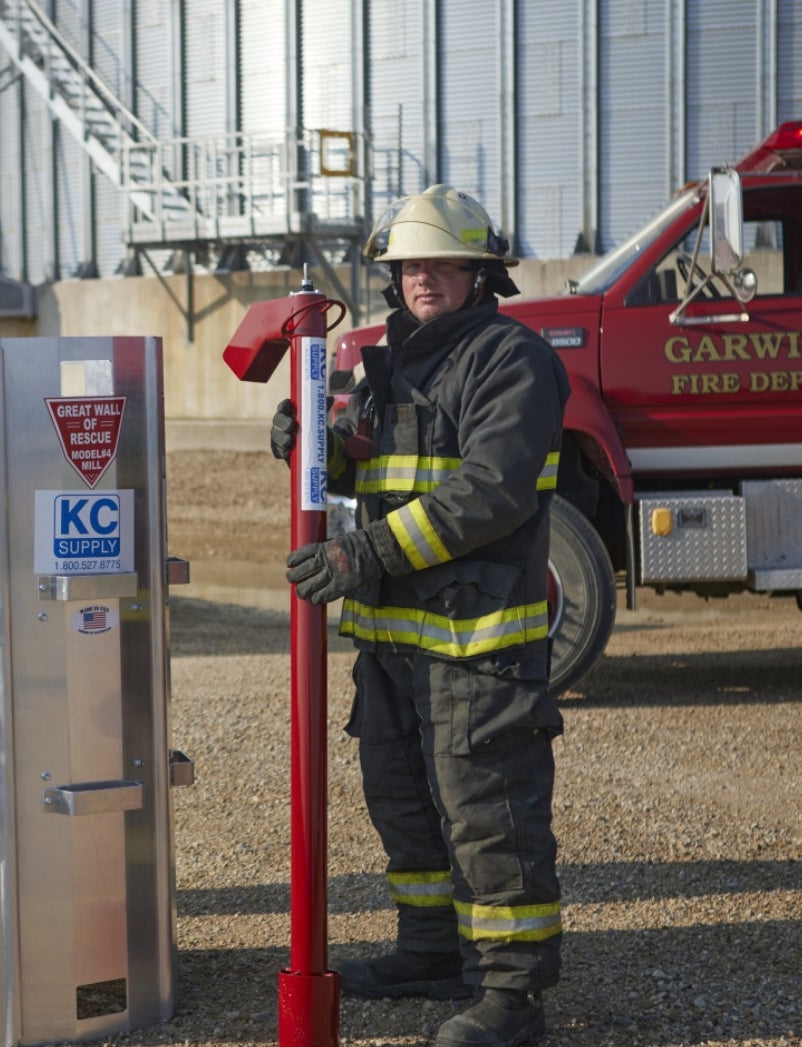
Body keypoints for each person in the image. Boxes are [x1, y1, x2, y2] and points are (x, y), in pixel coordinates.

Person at [272, 185, 568, 1047]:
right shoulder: (387, 362)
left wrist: (360, 557)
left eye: (441, 262)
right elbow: (378, 472)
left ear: (481, 272)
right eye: (409, 264)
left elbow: (491, 491)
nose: (422, 277)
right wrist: (313, 447)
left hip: (478, 645)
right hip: (395, 646)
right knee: (404, 808)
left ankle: (512, 997)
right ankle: (432, 950)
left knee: (492, 819)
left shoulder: (510, 359)